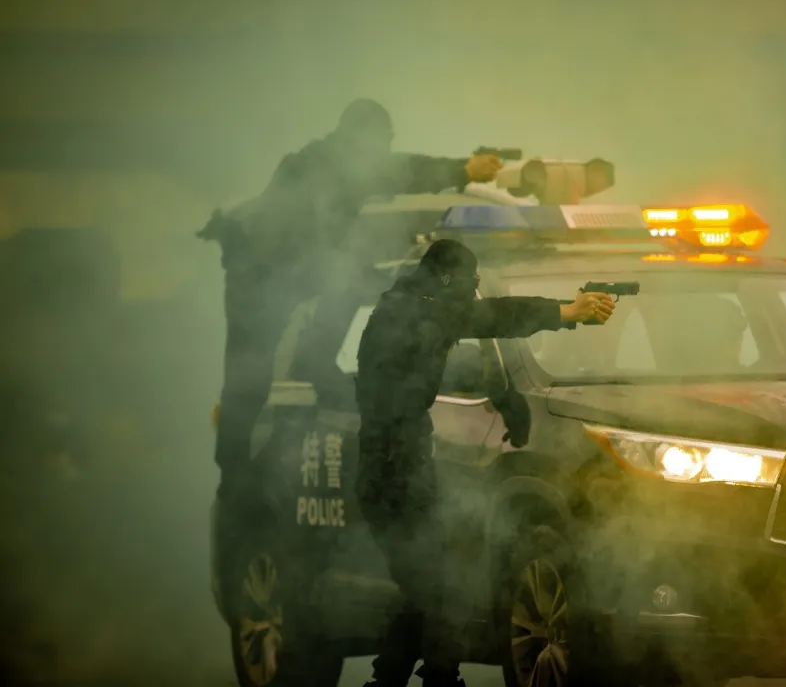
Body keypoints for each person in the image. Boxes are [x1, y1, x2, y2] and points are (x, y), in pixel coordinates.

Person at [198, 99, 503, 508]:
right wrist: (463, 170)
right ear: (363, 137)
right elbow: (391, 179)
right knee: (248, 382)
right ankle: (235, 482)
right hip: (257, 278)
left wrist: (462, 169)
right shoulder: (323, 167)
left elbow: (403, 171)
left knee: (351, 284)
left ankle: (315, 366)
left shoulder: (340, 163)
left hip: (283, 270)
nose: (386, 149)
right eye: (383, 140)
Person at [354, 239, 615, 687]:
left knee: (425, 587)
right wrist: (566, 312)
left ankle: (403, 680)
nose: (472, 293)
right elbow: (496, 315)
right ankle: (437, 678)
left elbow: (473, 332)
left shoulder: (411, 307)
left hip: (397, 464)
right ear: (448, 279)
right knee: (438, 584)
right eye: (469, 282)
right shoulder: (418, 312)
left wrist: (506, 397)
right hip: (394, 469)